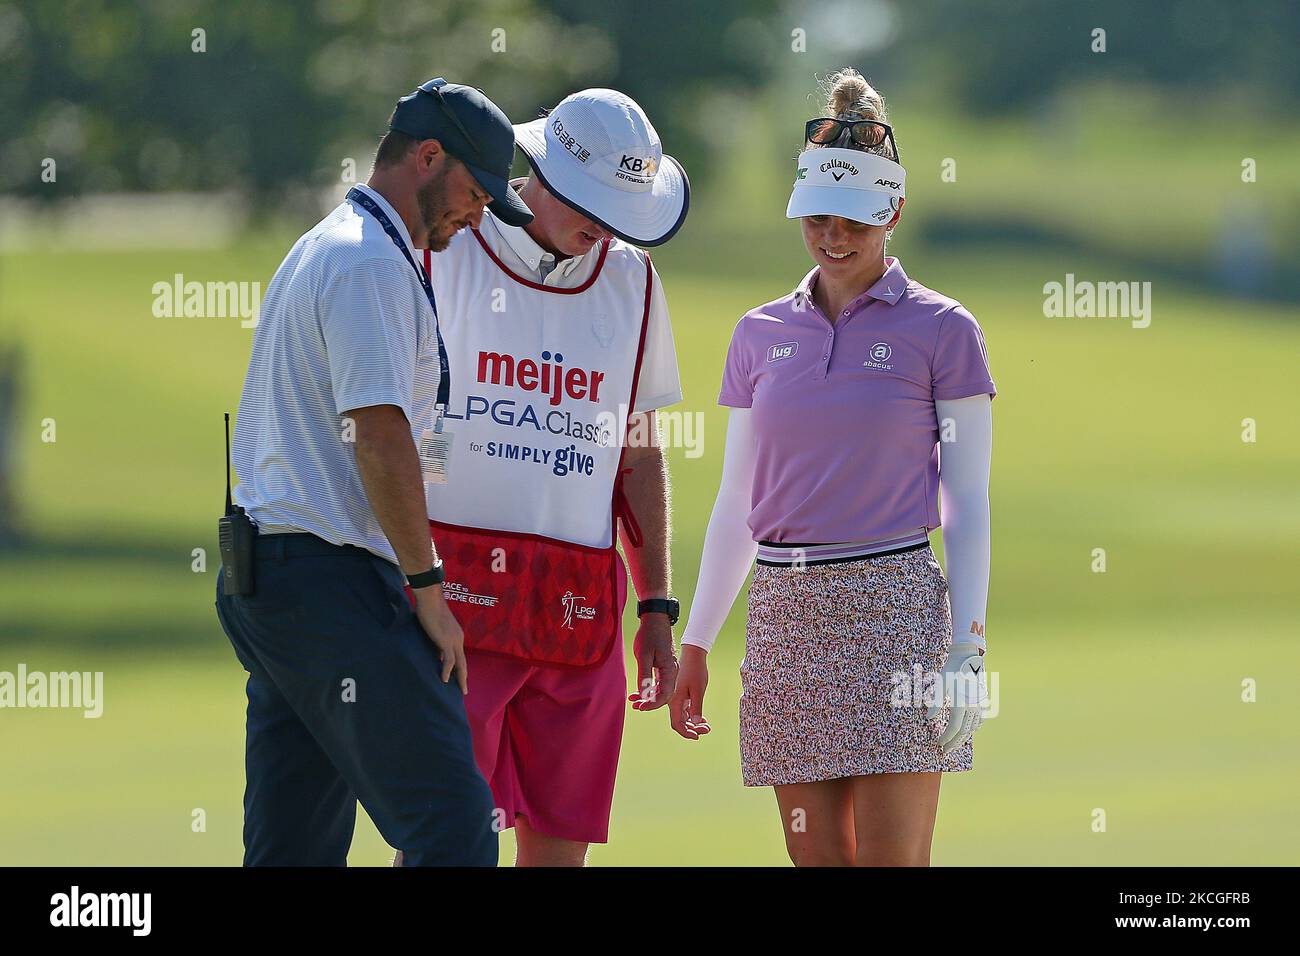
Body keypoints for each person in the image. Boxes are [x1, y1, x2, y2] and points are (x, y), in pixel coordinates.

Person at [670, 68, 994, 867]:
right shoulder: (758, 334)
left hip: (895, 612)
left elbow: (968, 499)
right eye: (816, 217)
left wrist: (966, 648)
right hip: (787, 617)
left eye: (853, 218)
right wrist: (699, 641)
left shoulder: (943, 330)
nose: (834, 235)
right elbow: (739, 499)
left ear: (892, 211)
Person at [214, 78, 534, 866]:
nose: (479, 212)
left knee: (294, 845)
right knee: (455, 828)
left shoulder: (343, 245)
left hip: (279, 584)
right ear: (427, 157)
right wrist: (429, 593)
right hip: (330, 586)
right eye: (474, 191)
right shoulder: (368, 263)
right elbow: (380, 436)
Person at [398, 88, 689, 867]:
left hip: (579, 607)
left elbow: (638, 453)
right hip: (454, 598)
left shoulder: (634, 279)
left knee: (561, 854)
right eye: (592, 201)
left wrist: (657, 603)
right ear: (540, 170)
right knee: (445, 844)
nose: (604, 225)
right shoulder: (446, 243)